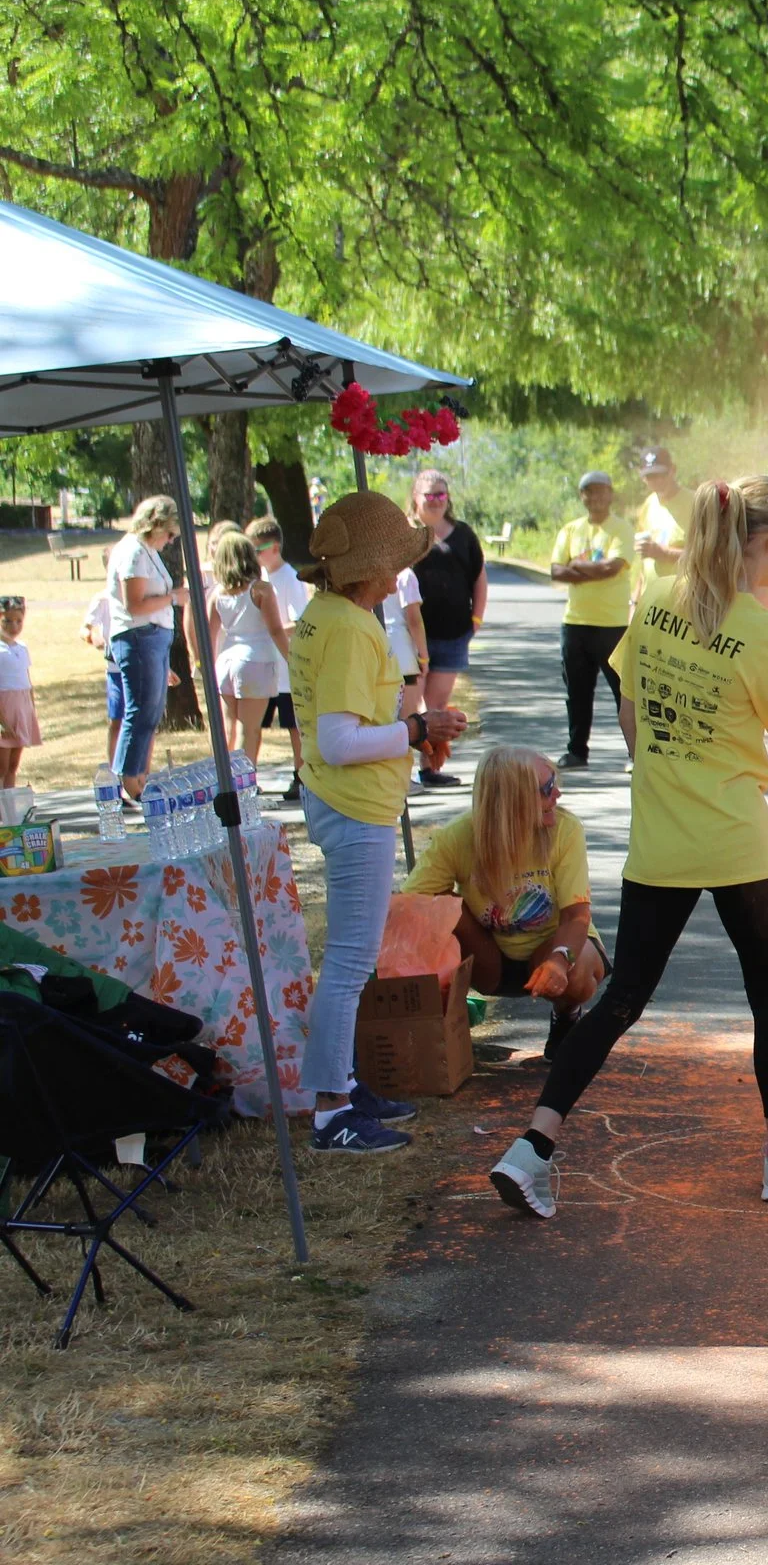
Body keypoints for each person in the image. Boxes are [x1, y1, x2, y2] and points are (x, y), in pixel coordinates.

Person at [486, 476, 768, 1221]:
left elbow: (626, 694)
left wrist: (650, 768)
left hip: (660, 836)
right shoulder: (766, 631)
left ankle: (529, 1147)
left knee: (622, 997)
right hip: (736, 842)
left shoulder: (658, 595)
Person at [290, 490, 470, 1152]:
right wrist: (417, 727)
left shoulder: (334, 613)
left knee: (352, 958)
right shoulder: (346, 625)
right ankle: (332, 1110)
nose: (401, 571)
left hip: (346, 800)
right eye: (393, 560)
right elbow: (339, 741)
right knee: (347, 962)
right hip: (353, 804)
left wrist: (412, 731)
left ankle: (340, 1081)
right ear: (367, 569)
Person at [406, 746, 609, 1056]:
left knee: (577, 970)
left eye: (555, 782)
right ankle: (445, 1026)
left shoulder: (566, 830)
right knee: (440, 906)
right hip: (490, 959)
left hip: (551, 947)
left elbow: (576, 917)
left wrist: (558, 960)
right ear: (512, 801)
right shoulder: (457, 837)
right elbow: (410, 903)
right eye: (546, 789)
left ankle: (566, 1015)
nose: (557, 795)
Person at [548, 470, 634, 768]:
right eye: (589, 492)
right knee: (577, 692)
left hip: (613, 625)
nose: (595, 497)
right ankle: (576, 751)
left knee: (624, 693)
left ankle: (634, 752)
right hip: (576, 623)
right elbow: (556, 571)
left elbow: (614, 567)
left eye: (600, 491)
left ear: (611, 494)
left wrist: (577, 565)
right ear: (581, 496)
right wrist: (588, 568)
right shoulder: (571, 530)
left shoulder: (621, 529)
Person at [104, 494, 186, 803]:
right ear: (157, 524)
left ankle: (138, 774)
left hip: (152, 638)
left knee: (151, 711)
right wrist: (175, 598)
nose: (170, 540)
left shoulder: (146, 550)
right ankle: (128, 778)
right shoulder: (134, 551)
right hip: (138, 636)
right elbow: (135, 604)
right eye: (170, 533)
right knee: (139, 710)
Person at [408, 468, 485, 788]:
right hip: (411, 636)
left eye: (441, 494)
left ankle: (430, 768)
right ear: (415, 497)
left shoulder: (463, 534)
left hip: (452, 634)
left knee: (437, 706)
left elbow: (479, 578)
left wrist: (475, 620)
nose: (436, 500)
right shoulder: (404, 533)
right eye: (429, 495)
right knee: (408, 708)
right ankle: (400, 770)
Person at [208, 524, 292, 771]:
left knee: (227, 728)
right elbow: (275, 630)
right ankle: (245, 783)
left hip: (225, 661)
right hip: (256, 660)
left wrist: (206, 668)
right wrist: (293, 660)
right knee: (249, 729)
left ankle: (223, 779)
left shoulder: (217, 594)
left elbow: (209, 634)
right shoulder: (261, 590)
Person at [246, 517, 311, 801]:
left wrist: (271, 629)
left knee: (293, 725)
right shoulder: (257, 581)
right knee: (254, 724)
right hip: (264, 664)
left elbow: (300, 620)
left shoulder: (291, 577)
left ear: (275, 547)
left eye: (258, 550)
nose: (255, 557)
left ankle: (301, 775)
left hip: (284, 666)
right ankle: (247, 778)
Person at [631, 447, 691, 590]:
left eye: (661, 474)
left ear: (673, 470)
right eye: (650, 476)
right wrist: (634, 602)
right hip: (650, 599)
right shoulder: (648, 504)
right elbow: (644, 562)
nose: (656, 480)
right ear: (643, 477)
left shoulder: (696, 503)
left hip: (683, 601)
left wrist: (663, 553)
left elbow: (710, 558)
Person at [380, 563, 427, 721]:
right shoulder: (406, 575)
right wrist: (424, 656)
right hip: (402, 651)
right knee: (409, 718)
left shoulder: (372, 573)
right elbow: (414, 620)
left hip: (377, 643)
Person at [80, 586, 122, 765]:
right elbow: (85, 629)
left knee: (140, 722)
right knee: (117, 720)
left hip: (139, 666)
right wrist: (92, 637)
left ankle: (140, 770)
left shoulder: (142, 593)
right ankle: (115, 768)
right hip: (115, 669)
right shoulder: (103, 598)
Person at [0, 596, 36, 787]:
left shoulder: (22, 648)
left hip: (20, 708)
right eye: (7, 621)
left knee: (13, 765)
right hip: (3, 710)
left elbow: (27, 681)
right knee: (2, 765)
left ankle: (8, 808)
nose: (13, 626)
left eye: (18, 621)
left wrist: (31, 711)